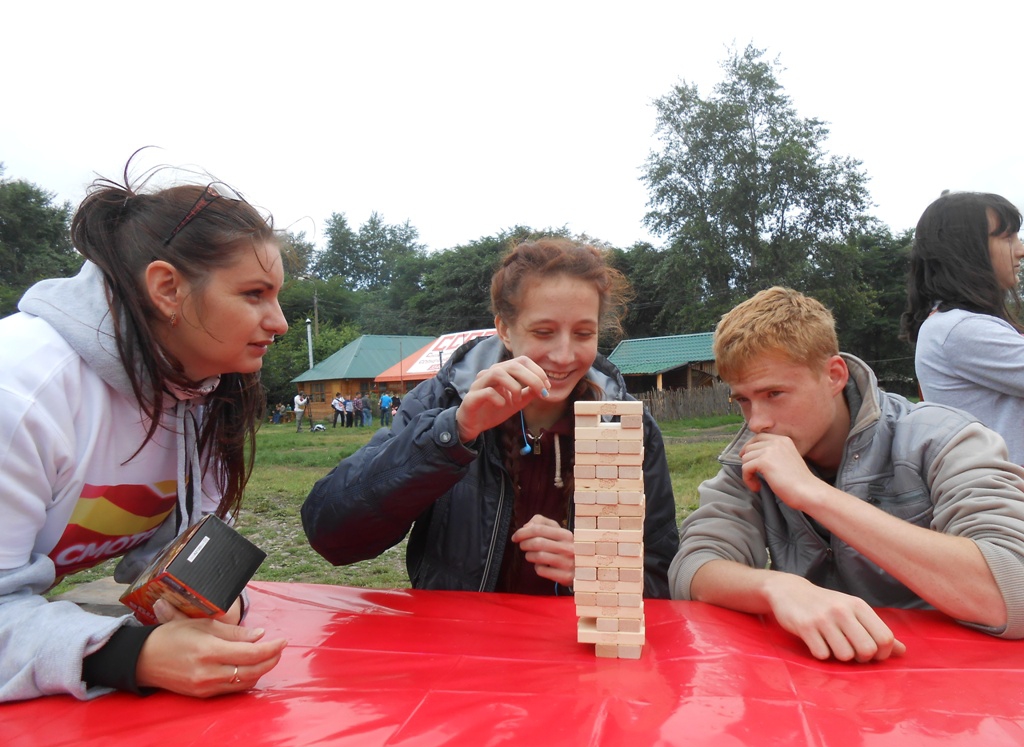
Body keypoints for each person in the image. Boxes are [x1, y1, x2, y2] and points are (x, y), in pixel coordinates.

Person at [0, 159, 289, 702]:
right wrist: (131, 655)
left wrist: (211, 599)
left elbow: (194, 541)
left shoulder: (204, 384)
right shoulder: (19, 393)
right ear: (166, 289)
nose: (280, 322)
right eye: (254, 294)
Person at [301, 238, 679, 596]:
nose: (564, 355)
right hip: (460, 644)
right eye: (544, 332)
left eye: (583, 333)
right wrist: (454, 431)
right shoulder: (442, 401)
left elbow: (662, 575)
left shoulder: (628, 427)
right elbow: (331, 536)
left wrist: (598, 569)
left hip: (578, 652)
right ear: (504, 330)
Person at [670, 287, 1024, 662]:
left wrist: (814, 495)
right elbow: (692, 569)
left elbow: (1012, 591)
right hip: (823, 682)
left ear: (834, 375)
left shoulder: (942, 438)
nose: (757, 421)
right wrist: (778, 587)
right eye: (743, 399)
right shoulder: (757, 454)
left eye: (774, 393)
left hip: (953, 680)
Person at [901, 192, 1024, 464]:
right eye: (1007, 238)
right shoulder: (960, 329)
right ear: (966, 251)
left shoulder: (953, 325)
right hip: (1008, 500)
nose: (1020, 249)